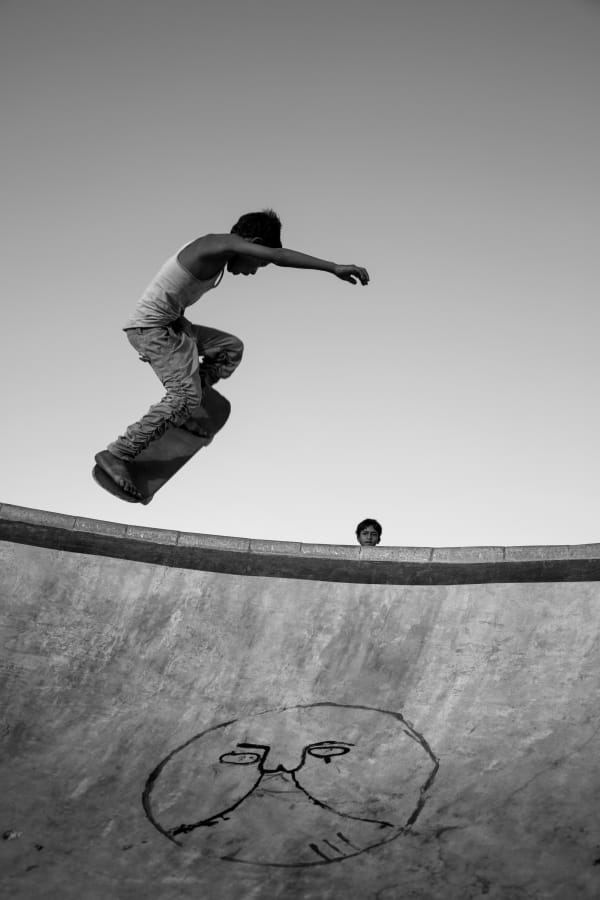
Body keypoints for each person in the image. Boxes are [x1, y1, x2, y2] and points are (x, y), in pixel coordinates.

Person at [95, 209, 370, 500]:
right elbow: (280, 256)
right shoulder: (216, 244)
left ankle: (192, 394)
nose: (253, 272)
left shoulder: (216, 254)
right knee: (183, 397)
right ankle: (120, 453)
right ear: (251, 243)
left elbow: (175, 294)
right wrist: (332, 267)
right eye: (259, 263)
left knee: (230, 348)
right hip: (151, 329)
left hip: (172, 326)